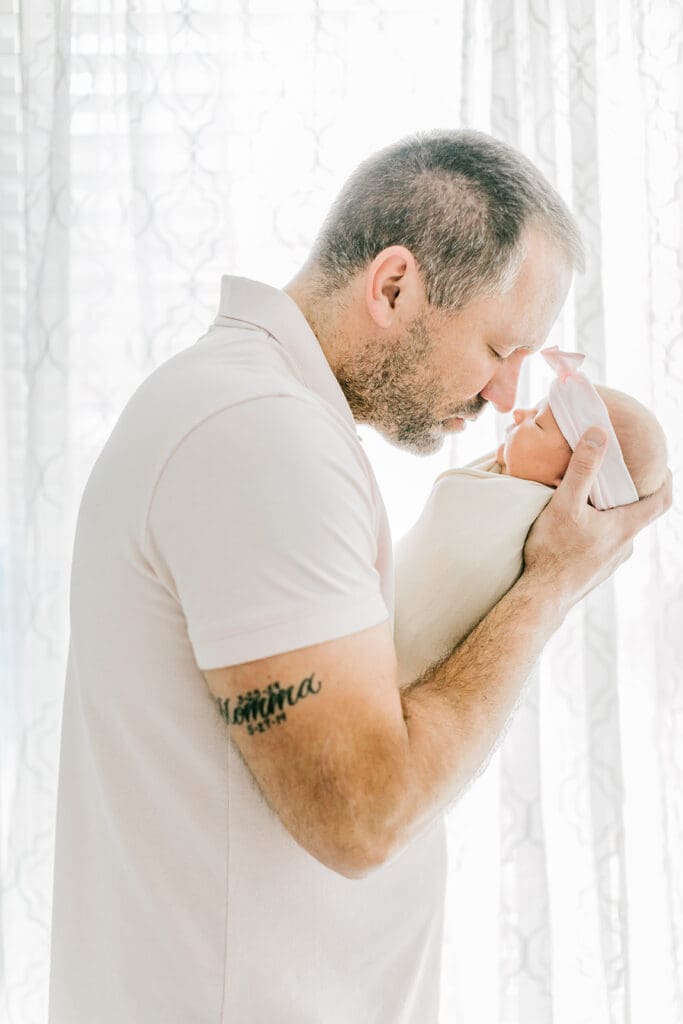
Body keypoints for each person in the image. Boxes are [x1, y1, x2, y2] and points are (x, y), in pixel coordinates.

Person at [47, 128, 672, 1024]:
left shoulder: (251, 409)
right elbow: (363, 815)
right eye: (500, 350)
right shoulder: (262, 437)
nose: (505, 395)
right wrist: (547, 586)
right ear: (393, 286)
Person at [393, 345, 668, 716]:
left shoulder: (532, 520)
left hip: (396, 658)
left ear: (567, 479)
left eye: (537, 422)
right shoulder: (519, 496)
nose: (519, 413)